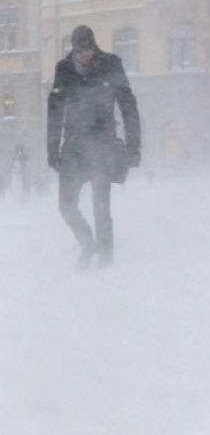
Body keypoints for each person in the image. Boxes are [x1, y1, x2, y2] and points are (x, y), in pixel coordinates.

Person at [47, 25, 140, 269]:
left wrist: (133, 147)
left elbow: (128, 105)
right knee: (66, 206)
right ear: (74, 50)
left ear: (94, 45)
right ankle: (88, 244)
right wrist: (52, 149)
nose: (85, 56)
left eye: (88, 50)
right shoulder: (64, 69)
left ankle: (106, 263)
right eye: (80, 51)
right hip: (74, 148)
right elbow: (55, 111)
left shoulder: (111, 64)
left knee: (101, 209)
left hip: (102, 148)